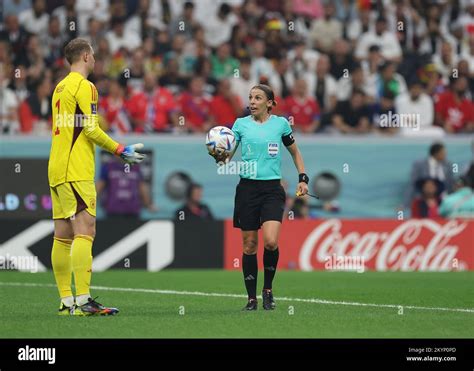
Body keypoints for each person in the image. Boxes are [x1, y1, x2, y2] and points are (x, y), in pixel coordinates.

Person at [48, 38, 145, 316]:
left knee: (63, 234)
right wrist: (120, 149)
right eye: (94, 55)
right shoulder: (86, 86)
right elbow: (90, 130)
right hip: (75, 167)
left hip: (56, 166)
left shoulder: (59, 87)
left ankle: (67, 302)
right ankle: (83, 300)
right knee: (85, 229)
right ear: (87, 56)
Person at [209, 84, 309, 311]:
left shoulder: (281, 125)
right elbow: (227, 158)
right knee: (249, 246)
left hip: (272, 190)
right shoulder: (240, 125)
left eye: (258, 98)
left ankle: (268, 289)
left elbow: (295, 152)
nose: (252, 102)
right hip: (247, 191)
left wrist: (303, 178)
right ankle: (252, 299)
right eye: (250, 98)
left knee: (271, 241)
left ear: (270, 103)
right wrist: (218, 154)